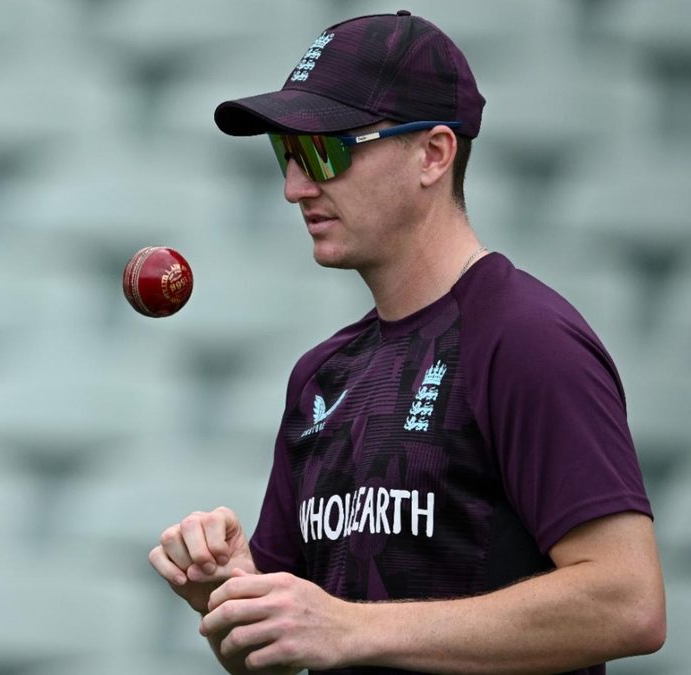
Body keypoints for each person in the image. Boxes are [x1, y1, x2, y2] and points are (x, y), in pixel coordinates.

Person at [149, 11, 666, 674]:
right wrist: (229, 594)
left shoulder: (527, 339)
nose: (294, 187)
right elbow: (277, 655)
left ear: (433, 154)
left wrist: (352, 627)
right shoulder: (320, 376)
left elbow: (629, 601)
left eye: (326, 150)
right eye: (286, 153)